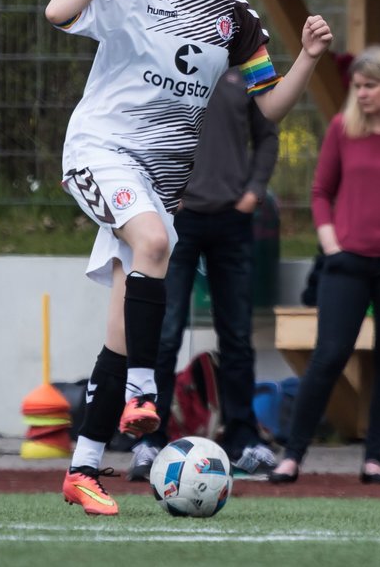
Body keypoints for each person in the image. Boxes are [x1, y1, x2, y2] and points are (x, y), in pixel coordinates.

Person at [45, 0, 332, 515]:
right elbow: (58, 12)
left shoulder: (235, 18)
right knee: (152, 246)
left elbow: (270, 106)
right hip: (99, 151)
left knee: (124, 331)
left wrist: (307, 60)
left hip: (157, 182)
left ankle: (84, 469)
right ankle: (145, 396)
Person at [269, 44, 380, 486]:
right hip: (346, 264)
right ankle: (292, 456)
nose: (361, 94)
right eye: (358, 87)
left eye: (369, 86)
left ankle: (375, 459)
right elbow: (320, 193)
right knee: (328, 356)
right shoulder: (341, 130)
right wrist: (332, 245)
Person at [128, 67, 281, 481]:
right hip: (176, 217)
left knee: (236, 332)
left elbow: (267, 135)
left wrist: (253, 193)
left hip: (232, 220)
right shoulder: (165, 56)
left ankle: (243, 439)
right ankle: (149, 440)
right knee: (164, 331)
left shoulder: (248, 62)